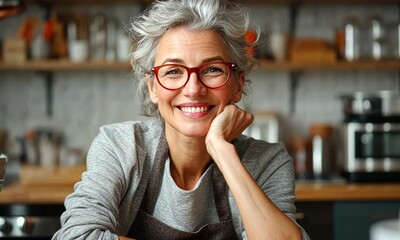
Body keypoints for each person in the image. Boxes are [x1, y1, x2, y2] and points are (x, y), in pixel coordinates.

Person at [53, 0, 310, 239]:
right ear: (153, 87)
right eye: (173, 71)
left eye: (212, 70)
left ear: (237, 85)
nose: (193, 89)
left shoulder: (267, 161)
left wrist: (222, 151)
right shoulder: (120, 147)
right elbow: (76, 235)